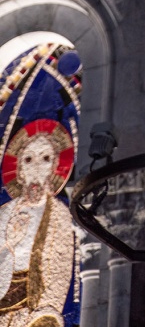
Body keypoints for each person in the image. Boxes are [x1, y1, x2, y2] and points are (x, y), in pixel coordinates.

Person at [0, 124, 74, 327]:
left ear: (54, 167)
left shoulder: (58, 214)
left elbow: (61, 268)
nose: (36, 168)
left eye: (45, 159)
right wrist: (8, 246)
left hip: (34, 309)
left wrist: (45, 313)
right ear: (20, 170)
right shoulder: (5, 213)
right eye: (29, 160)